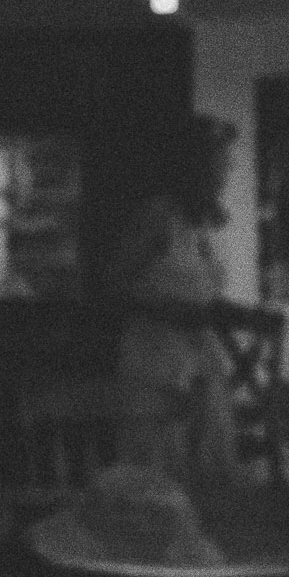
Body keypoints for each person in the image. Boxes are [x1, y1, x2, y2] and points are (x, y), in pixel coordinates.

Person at [107, 114, 240, 483]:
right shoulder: (157, 217)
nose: (224, 175)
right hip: (157, 368)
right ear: (195, 167)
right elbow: (114, 285)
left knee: (209, 478)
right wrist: (167, 312)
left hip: (202, 367)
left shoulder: (204, 224)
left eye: (226, 165)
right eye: (219, 165)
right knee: (157, 478)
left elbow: (203, 290)